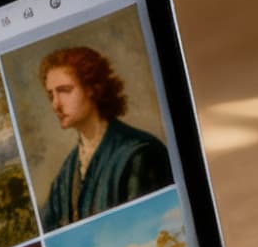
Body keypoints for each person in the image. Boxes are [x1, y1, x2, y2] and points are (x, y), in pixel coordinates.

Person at [36, 46, 172, 228]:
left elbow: (149, 228)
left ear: (92, 88)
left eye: (64, 90)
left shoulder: (140, 154)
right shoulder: (67, 173)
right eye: (51, 95)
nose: (55, 104)